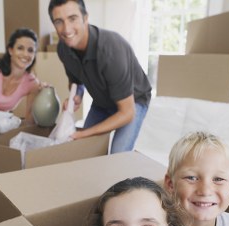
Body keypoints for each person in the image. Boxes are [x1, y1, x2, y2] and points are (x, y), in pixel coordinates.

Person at [48, 0, 152, 153]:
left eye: (72, 18)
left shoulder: (111, 50)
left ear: (85, 18)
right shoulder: (63, 49)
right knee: (86, 150)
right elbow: (75, 81)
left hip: (132, 102)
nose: (66, 28)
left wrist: (85, 133)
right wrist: (76, 95)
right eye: (59, 21)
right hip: (103, 101)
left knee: (117, 153)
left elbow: (127, 113)